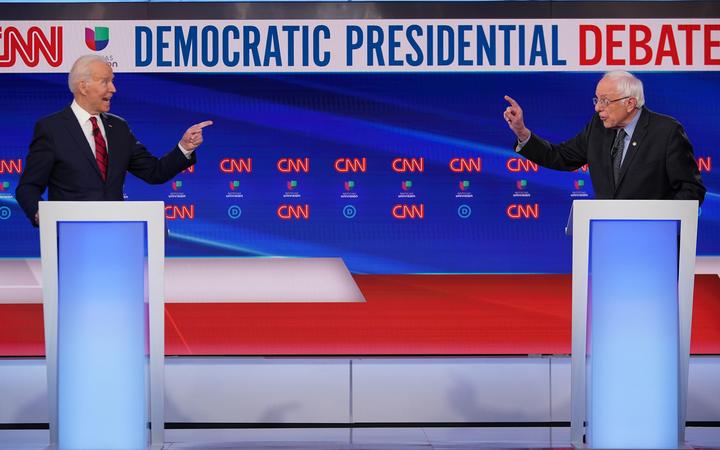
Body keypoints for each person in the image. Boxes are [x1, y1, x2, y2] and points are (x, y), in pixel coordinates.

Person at [15, 54, 212, 226]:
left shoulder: (119, 128)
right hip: (70, 236)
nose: (113, 89)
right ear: (83, 86)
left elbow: (155, 172)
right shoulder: (52, 128)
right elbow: (28, 187)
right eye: (105, 82)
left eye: (112, 81)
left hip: (116, 233)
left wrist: (184, 147)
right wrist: (41, 215)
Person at [503, 70, 705, 205]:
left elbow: (691, 189)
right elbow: (561, 157)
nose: (597, 107)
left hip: (656, 239)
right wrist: (522, 132)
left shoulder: (666, 131)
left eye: (605, 101)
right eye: (597, 100)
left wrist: (664, 222)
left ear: (630, 103)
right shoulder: (598, 127)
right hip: (608, 235)